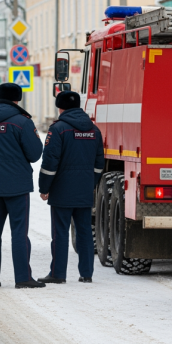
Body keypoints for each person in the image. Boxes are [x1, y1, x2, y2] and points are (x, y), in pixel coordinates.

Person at [0, 83, 45, 289]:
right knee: (19, 232)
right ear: (17, 99)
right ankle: (22, 278)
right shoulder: (21, 122)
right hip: (17, 186)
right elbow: (34, 154)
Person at [38, 91, 105, 284]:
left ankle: (58, 274)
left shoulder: (58, 129)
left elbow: (50, 162)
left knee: (60, 232)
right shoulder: (94, 130)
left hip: (61, 191)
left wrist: (44, 187)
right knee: (84, 231)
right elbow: (99, 163)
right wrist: (89, 183)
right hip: (84, 191)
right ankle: (86, 274)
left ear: (60, 107)